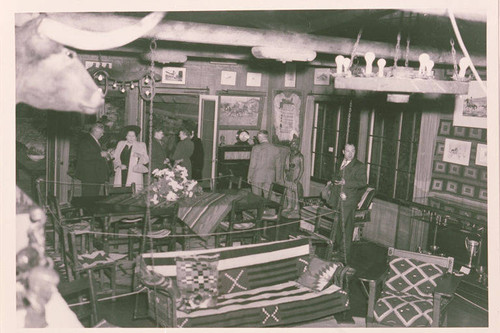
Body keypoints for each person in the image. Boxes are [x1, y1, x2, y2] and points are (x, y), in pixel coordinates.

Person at [327, 143, 367, 265]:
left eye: (353, 151)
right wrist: (335, 180)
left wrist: (346, 182)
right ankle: (338, 250)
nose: (350, 154)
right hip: (337, 199)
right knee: (339, 226)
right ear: (343, 151)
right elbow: (334, 175)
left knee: (346, 228)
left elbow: (362, 183)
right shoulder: (340, 162)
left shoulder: (359, 166)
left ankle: (344, 255)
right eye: (348, 151)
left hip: (348, 200)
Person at [75, 123, 110, 196]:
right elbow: (84, 156)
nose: (102, 135)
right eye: (101, 133)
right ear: (95, 131)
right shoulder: (86, 141)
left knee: (93, 195)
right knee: (89, 195)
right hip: (89, 175)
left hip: (94, 174)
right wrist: (100, 154)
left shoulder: (94, 140)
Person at [113, 125, 149, 190]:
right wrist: (119, 165)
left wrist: (140, 156)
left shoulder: (141, 145)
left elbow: (146, 160)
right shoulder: (120, 144)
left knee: (133, 192)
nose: (131, 138)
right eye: (129, 136)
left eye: (133, 136)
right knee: (120, 190)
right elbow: (115, 157)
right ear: (126, 136)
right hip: (121, 171)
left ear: (136, 136)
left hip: (134, 173)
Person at [247, 130, 280, 198]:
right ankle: (268, 208)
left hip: (257, 176)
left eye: (258, 137)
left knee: (256, 198)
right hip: (270, 177)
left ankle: (259, 208)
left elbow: (252, 164)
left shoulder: (256, 148)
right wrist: (277, 180)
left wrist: (249, 176)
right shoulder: (276, 149)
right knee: (269, 197)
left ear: (261, 137)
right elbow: (278, 166)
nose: (258, 139)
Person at [282, 135, 304, 218]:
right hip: (288, 177)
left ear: (297, 145)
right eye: (291, 144)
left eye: (294, 144)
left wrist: (298, 179)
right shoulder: (288, 155)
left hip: (295, 178)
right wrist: (285, 175)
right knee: (288, 192)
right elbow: (285, 166)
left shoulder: (300, 156)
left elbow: (302, 169)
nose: (292, 146)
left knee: (296, 193)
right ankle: (289, 206)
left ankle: (296, 208)